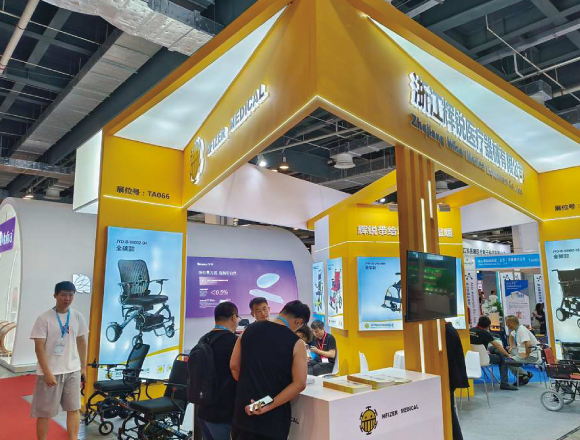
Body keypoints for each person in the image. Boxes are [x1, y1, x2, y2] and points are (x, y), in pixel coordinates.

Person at [230, 300, 310, 440]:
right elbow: (299, 384)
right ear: (298, 322)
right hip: (272, 421)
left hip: (242, 413)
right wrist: (264, 405)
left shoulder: (248, 330)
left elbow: (234, 366)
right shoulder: (297, 343)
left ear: (282, 312)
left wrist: (248, 385)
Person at [30, 281, 88, 440]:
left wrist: (83, 367)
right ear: (55, 296)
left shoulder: (77, 316)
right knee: (44, 413)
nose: (67, 298)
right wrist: (47, 373)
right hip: (50, 372)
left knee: (74, 409)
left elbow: (82, 342)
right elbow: (39, 348)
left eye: (70, 295)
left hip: (73, 370)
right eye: (63, 295)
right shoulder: (44, 318)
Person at [196, 301, 239, 440]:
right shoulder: (234, 341)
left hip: (203, 408)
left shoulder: (203, 339)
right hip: (223, 412)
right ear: (234, 317)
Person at [470, 316, 517, 391]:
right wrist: (508, 355)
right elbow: (498, 346)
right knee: (503, 359)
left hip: (470, 358)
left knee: (494, 349)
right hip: (482, 358)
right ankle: (504, 384)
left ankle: (501, 354)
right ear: (488, 326)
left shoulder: (469, 330)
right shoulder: (485, 333)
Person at [445, 322, 468, 440]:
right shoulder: (449, 330)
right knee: (449, 412)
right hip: (450, 379)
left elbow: (450, 360)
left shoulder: (447, 331)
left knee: (449, 413)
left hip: (448, 379)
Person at [506, 315, 539, 385]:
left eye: (507, 323)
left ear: (512, 323)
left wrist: (526, 355)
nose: (506, 325)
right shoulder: (516, 330)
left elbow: (528, 344)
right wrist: (511, 346)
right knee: (507, 355)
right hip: (522, 352)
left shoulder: (521, 330)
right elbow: (511, 336)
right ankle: (524, 374)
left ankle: (523, 375)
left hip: (532, 355)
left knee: (507, 361)